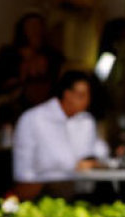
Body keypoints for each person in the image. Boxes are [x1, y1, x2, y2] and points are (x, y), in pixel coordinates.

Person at [11, 71, 110, 200]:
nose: (87, 101)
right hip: (41, 192)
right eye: (81, 95)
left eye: (88, 95)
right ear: (67, 95)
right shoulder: (34, 119)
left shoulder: (86, 120)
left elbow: (98, 150)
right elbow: (27, 170)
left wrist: (95, 161)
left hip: (82, 192)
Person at [0, 12, 64, 129]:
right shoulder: (8, 55)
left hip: (47, 116)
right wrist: (19, 80)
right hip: (15, 115)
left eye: (38, 27)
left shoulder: (54, 56)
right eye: (31, 27)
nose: (35, 31)